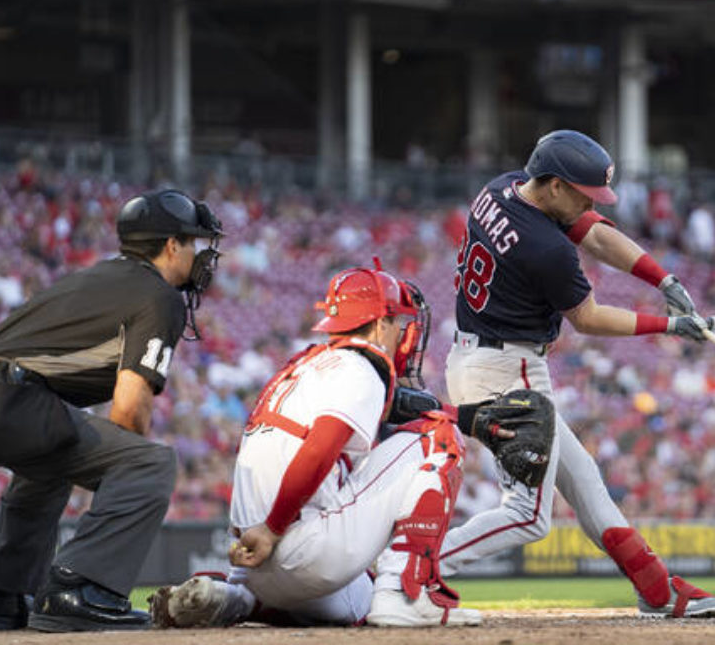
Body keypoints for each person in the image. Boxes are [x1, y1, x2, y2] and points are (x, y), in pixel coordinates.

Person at [440, 129, 715, 618]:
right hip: (509, 371)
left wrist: (663, 278)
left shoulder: (503, 187)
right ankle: (408, 565)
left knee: (585, 481)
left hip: (482, 359)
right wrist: (671, 325)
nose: (590, 202)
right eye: (583, 192)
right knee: (527, 515)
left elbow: (594, 230)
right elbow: (588, 318)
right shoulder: (545, 248)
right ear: (553, 184)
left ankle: (657, 590)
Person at [0, 189, 223, 632]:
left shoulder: (102, 275)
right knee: (151, 463)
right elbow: (128, 410)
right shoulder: (159, 296)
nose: (199, 256)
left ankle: (0, 597)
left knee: (52, 457)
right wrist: (123, 473)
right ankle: (81, 589)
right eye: (193, 243)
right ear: (171, 245)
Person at [150, 265, 480, 628]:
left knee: (358, 605)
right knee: (440, 434)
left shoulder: (302, 368)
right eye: (398, 322)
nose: (402, 332)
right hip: (289, 542)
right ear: (379, 324)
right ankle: (406, 596)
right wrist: (274, 527)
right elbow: (320, 449)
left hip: (252, 562)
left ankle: (237, 598)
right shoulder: (360, 368)